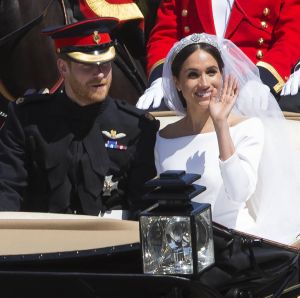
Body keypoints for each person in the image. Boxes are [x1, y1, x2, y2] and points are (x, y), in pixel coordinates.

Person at [0, 17, 159, 218]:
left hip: (114, 245)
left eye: (105, 64)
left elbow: (144, 207)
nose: (100, 74)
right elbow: (7, 191)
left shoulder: (137, 126)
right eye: (88, 66)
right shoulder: (26, 119)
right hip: (41, 243)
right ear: (63, 67)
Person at [155, 32, 300, 244]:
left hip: (236, 247)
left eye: (211, 72)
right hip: (184, 250)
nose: (204, 83)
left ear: (222, 75)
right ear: (177, 82)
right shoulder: (163, 137)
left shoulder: (247, 127)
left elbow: (239, 192)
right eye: (193, 75)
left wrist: (221, 124)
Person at [137, 0, 300, 112]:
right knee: (151, 115)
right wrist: (161, 77)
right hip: (196, 86)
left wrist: (263, 79)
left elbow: (291, 36)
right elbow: (165, 34)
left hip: (252, 85)